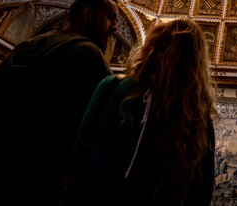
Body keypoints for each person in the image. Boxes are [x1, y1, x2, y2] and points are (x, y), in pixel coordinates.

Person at [0, 0, 119, 206]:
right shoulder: (88, 53)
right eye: (110, 17)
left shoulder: (29, 45)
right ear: (87, 15)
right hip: (26, 183)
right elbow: (91, 129)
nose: (114, 27)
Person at [67, 19, 216, 206]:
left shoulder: (112, 86)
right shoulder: (198, 116)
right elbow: (203, 190)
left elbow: (79, 149)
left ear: (152, 48)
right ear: (197, 62)